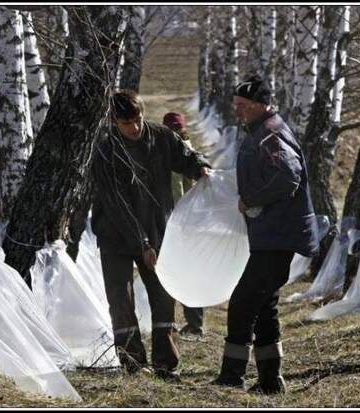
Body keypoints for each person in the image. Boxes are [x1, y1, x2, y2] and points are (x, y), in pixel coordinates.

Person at [91, 91, 211, 382]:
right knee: (120, 298)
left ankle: (165, 363)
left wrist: (200, 167)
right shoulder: (106, 150)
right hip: (115, 235)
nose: (134, 127)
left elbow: (186, 156)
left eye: (137, 120)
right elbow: (117, 204)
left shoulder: (161, 137)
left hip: (158, 228)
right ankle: (132, 363)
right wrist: (141, 243)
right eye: (126, 123)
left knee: (163, 295)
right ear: (113, 121)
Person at [212, 75, 319, 394]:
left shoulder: (269, 134)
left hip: (278, 235)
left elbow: (288, 177)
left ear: (261, 105)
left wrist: (251, 199)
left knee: (244, 302)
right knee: (264, 306)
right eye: (237, 105)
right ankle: (271, 382)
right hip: (273, 235)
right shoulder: (264, 131)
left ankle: (232, 377)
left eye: (243, 106)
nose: (238, 111)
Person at [162, 111, 206, 338]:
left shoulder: (179, 153)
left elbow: (178, 190)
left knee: (183, 272)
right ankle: (192, 323)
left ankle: (193, 324)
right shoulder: (189, 152)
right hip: (187, 221)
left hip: (182, 222)